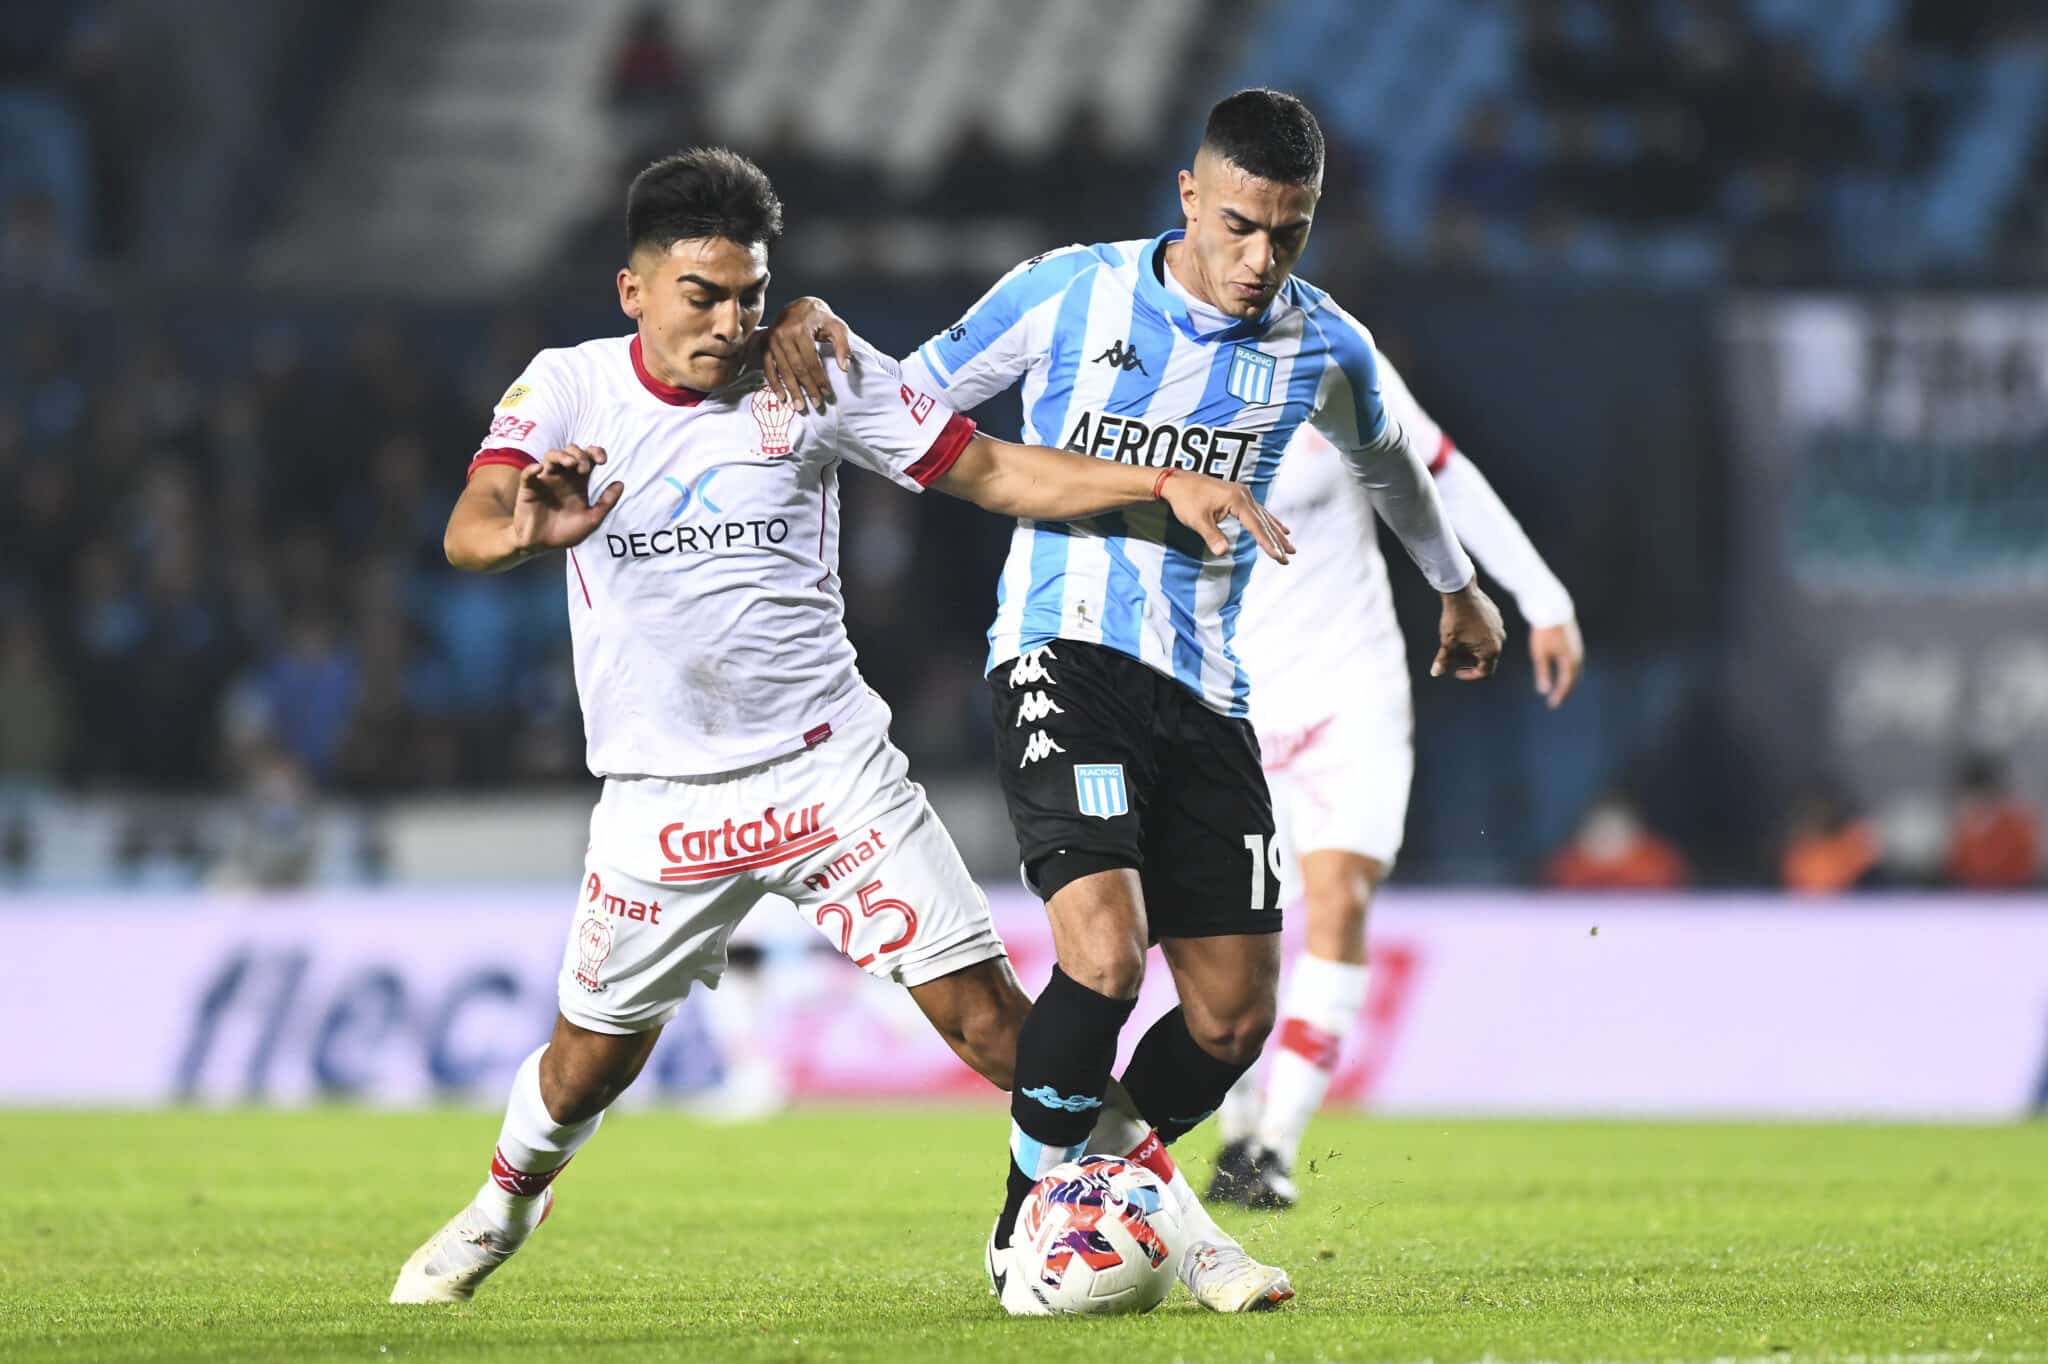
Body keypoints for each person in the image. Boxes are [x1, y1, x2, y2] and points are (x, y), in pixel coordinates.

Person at [389, 147, 1297, 1312]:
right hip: (660, 802)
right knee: (584, 1067)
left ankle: (1181, 1229)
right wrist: (523, 525)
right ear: (634, 292)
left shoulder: (813, 374)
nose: (727, 322)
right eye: (700, 296)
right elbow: (467, 527)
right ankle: (501, 1207)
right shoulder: (566, 388)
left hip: (830, 776)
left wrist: (1156, 486)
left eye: (747, 296)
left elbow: (994, 471)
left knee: (995, 1025)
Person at [761, 89, 1505, 1315]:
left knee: (1228, 1017)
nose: (1259, 258)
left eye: (1289, 232)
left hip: (1208, 689)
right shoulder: (1066, 291)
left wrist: (1455, 589)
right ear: (1186, 197)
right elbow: (912, 408)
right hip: (1062, 648)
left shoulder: (1324, 347)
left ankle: (1095, 1182)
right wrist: (815, 320)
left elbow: (1389, 466)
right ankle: (1031, 1209)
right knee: (1102, 956)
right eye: (1239, 225)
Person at [1207, 356, 1584, 1211]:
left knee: (1339, 898)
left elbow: (1439, 471)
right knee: (1226, 936)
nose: (1257, 263)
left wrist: (1541, 596)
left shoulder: (1332, 360)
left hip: (1352, 685)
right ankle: (1235, 1126)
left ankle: (1272, 1149)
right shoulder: (1162, 371)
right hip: (1224, 697)